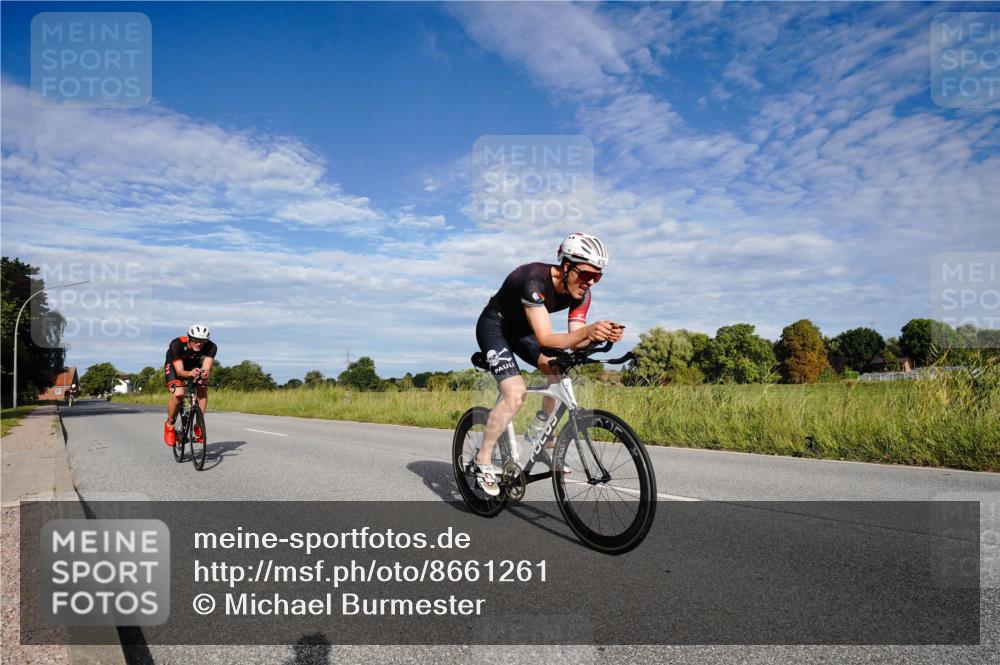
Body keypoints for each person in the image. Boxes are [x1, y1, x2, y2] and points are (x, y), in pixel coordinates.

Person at [473, 233, 624, 495]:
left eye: (597, 277)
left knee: (557, 370)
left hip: (523, 331)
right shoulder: (534, 280)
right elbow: (545, 338)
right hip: (495, 326)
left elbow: (573, 341)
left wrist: (598, 338)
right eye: (586, 274)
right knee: (515, 393)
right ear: (566, 266)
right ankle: (482, 459)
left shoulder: (581, 295)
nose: (590, 282)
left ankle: (540, 439)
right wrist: (588, 331)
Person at [163, 324, 217, 446]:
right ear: (189, 338)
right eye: (195, 340)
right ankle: (170, 424)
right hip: (175, 366)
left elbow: (206, 367)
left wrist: (204, 373)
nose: (199, 343)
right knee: (179, 393)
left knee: (202, 387)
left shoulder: (212, 347)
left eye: (202, 341)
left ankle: (198, 425)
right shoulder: (176, 344)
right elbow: (180, 372)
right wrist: (190, 374)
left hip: (194, 364)